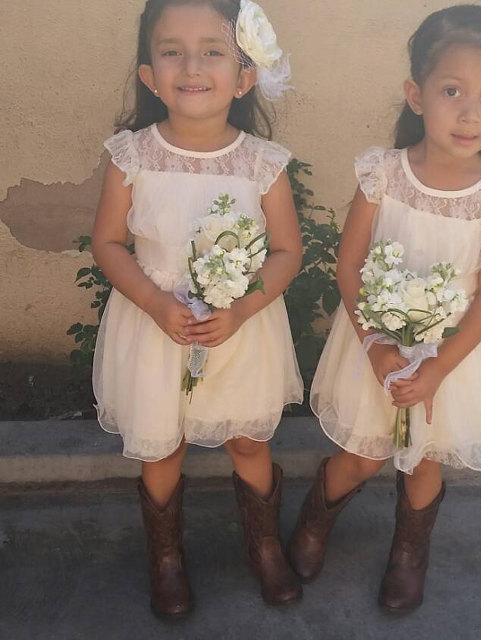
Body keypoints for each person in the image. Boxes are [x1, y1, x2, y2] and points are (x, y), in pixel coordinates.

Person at [288, 4, 481, 613]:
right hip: (376, 342)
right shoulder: (383, 175)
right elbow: (349, 266)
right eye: (452, 90)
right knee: (363, 454)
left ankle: (409, 552)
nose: (470, 111)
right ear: (416, 94)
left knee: (426, 457)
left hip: (451, 356)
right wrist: (378, 347)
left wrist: (438, 367)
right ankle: (316, 518)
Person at [92, 0, 303, 617]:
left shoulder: (262, 163)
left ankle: (263, 544)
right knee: (161, 446)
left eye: (213, 50)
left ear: (243, 77)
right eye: (172, 50)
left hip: (239, 330)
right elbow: (108, 241)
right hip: (155, 326)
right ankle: (166, 557)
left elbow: (287, 252)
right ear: (149, 76)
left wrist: (241, 309)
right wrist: (156, 302)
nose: (192, 65)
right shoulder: (132, 156)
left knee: (246, 441)